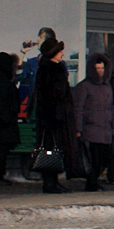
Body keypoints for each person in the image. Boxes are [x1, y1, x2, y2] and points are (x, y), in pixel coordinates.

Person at [74, 53, 114, 192]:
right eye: (97, 68)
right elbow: (78, 108)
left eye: (102, 68)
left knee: (103, 159)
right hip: (91, 128)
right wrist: (78, 128)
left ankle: (93, 182)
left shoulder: (107, 86)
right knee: (94, 159)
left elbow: (110, 107)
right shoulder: (84, 86)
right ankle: (91, 183)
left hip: (105, 128)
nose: (100, 71)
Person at [34, 37, 74, 194]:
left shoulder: (46, 69)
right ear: (53, 53)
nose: (62, 54)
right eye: (60, 51)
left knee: (53, 149)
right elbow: (53, 96)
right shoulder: (52, 70)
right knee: (52, 149)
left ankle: (52, 182)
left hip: (51, 117)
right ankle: (50, 183)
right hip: (52, 117)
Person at [0, 52, 19, 185]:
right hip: (5, 125)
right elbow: (13, 105)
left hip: (4, 122)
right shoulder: (7, 82)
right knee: (2, 153)